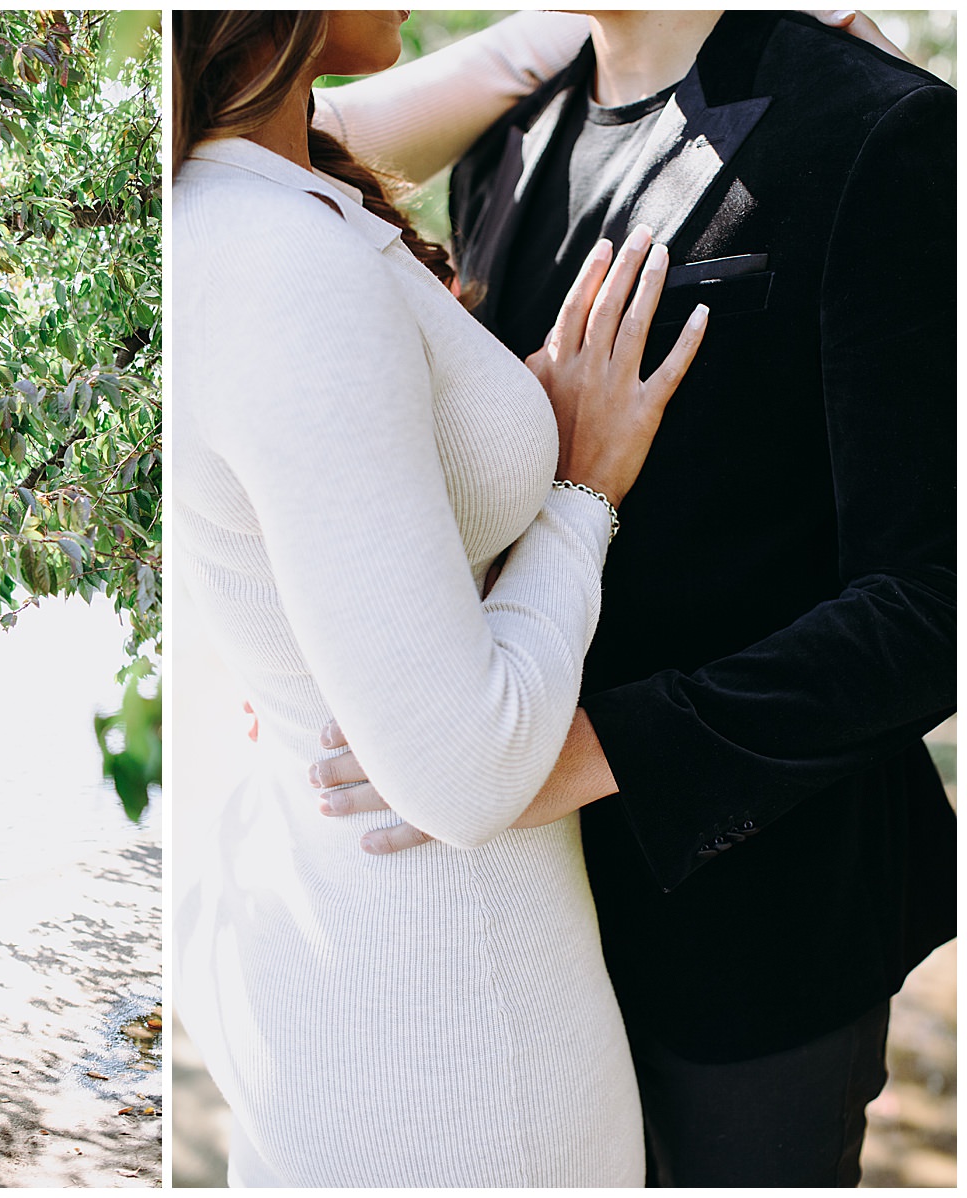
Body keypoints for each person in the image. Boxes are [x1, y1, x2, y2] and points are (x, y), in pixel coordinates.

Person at [309, 10, 956, 1187]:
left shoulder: (882, 128)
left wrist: (591, 751)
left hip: (755, 940)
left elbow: (929, 607)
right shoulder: (504, 141)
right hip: (510, 924)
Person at [172, 11, 710, 1187]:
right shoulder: (277, 265)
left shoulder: (243, 196)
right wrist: (581, 487)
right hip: (448, 1029)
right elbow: (464, 774)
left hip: (357, 956)